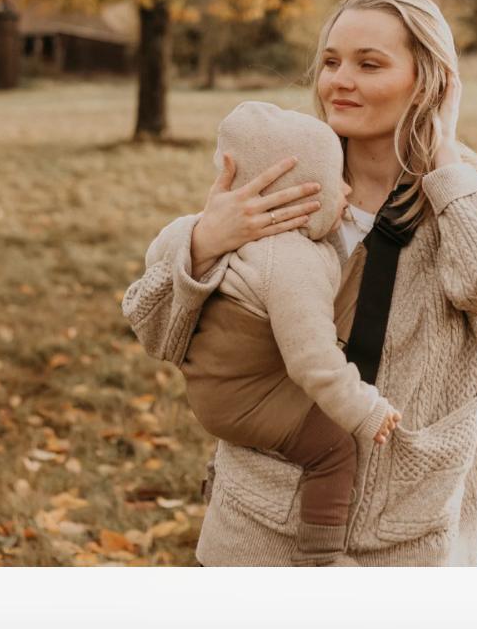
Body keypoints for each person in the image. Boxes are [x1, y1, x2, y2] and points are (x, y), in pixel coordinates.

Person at [122, 0, 477, 566]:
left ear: (428, 81)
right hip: (261, 522)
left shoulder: (470, 189)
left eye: (369, 64)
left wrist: (444, 155)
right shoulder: (284, 183)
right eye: (331, 62)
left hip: (409, 532)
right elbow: (156, 332)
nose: (340, 81)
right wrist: (203, 243)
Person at [171, 100, 401, 566]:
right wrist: (364, 410)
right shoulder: (293, 262)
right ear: (299, 195)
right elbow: (312, 359)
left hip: (216, 387)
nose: (347, 190)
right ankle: (320, 558)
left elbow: (163, 248)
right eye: (335, 180)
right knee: (334, 449)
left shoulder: (229, 236)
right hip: (245, 399)